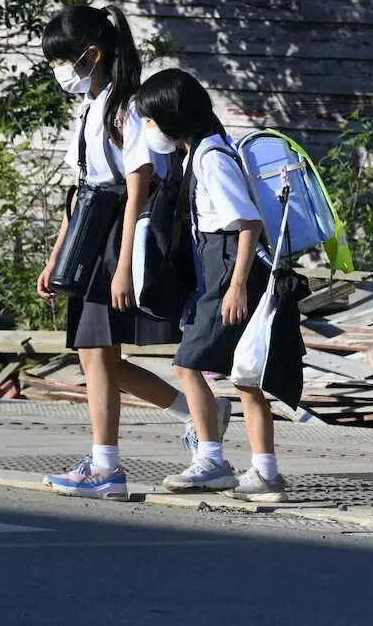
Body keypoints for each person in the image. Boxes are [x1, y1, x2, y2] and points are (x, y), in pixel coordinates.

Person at [36, 6, 230, 500]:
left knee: (99, 355)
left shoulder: (126, 108)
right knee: (95, 357)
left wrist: (122, 265)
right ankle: (196, 412)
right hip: (90, 232)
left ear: (92, 54)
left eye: (64, 59)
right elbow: (81, 189)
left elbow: (137, 188)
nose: (60, 71)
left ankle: (107, 468)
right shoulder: (88, 107)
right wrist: (57, 257)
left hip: (118, 235)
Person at [137, 68, 296, 502]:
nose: (146, 128)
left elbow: (247, 223)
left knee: (188, 364)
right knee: (247, 377)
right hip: (218, 266)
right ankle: (265, 473)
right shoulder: (197, 154)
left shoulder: (211, 158)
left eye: (149, 120)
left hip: (230, 268)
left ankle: (211, 461)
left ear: (171, 117)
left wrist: (237, 285)